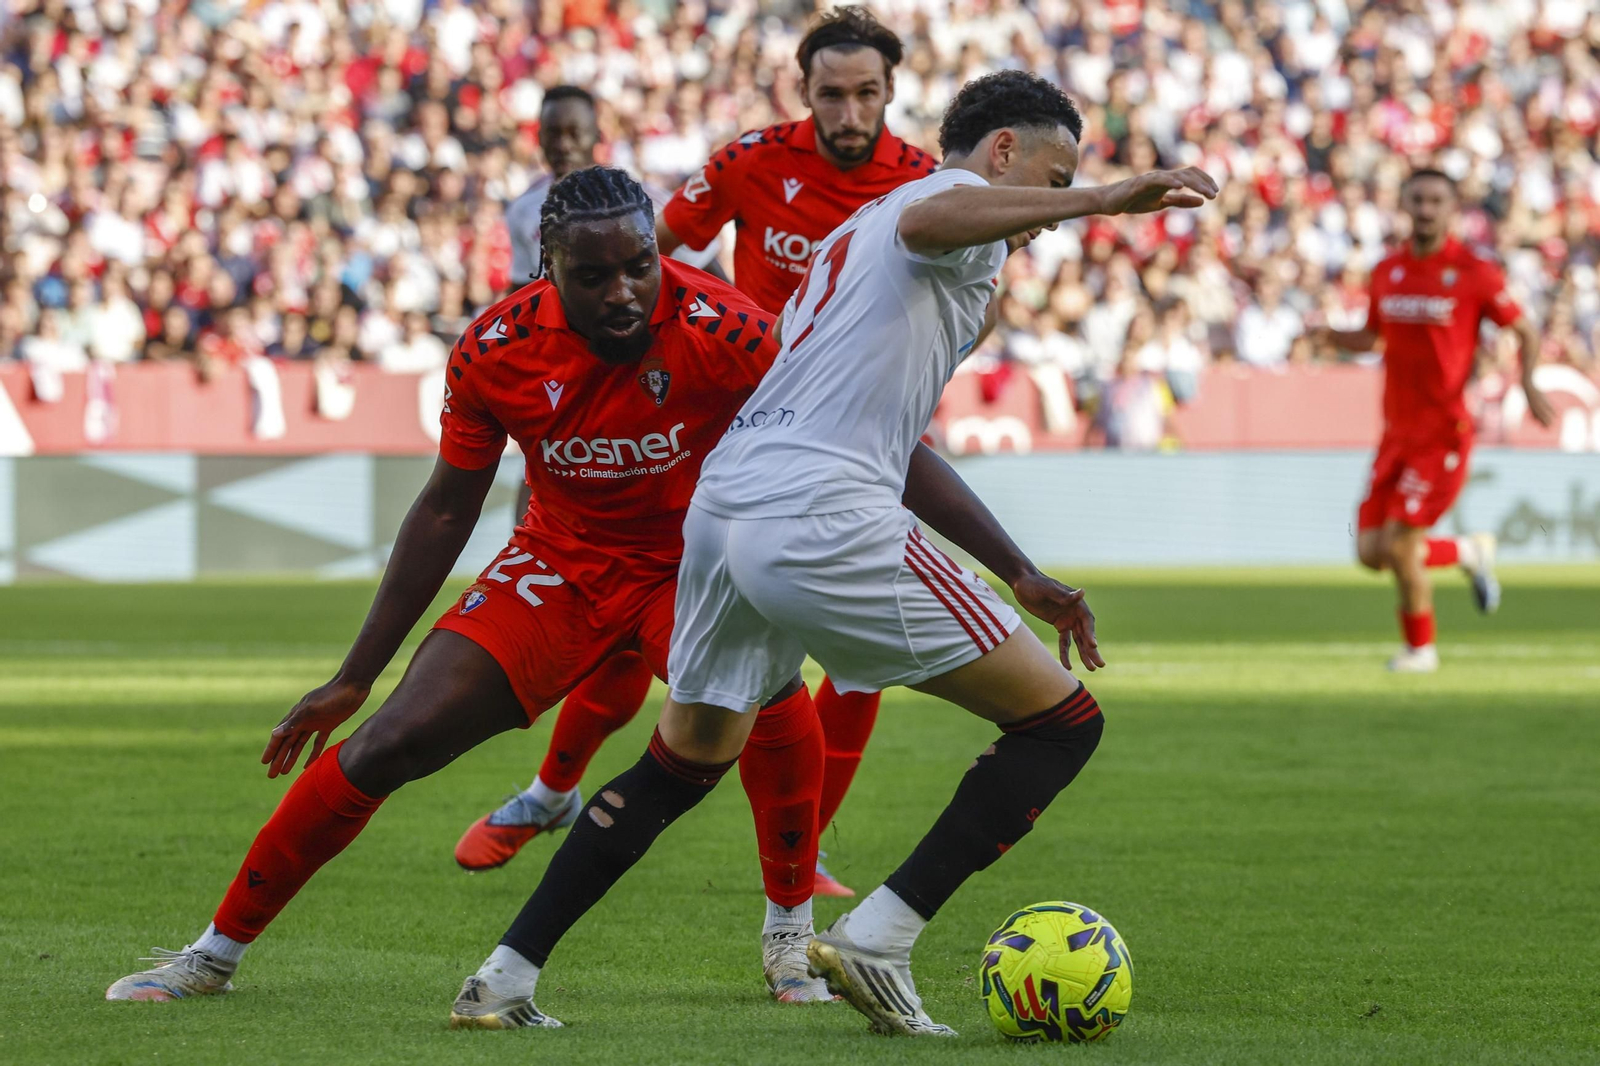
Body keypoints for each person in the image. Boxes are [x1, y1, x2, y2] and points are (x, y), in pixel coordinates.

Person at [103, 167, 1023, 1012]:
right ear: (549, 269)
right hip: (562, 564)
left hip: (692, 566)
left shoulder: (732, 330)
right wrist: (354, 677)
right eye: (596, 276)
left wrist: (1017, 568)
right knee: (389, 742)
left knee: (776, 708)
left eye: (640, 266)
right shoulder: (494, 350)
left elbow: (884, 449)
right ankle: (212, 954)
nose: (624, 291)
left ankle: (788, 937)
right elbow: (442, 510)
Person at [464, 71, 1216, 1036]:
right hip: (821, 512)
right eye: (1053, 177)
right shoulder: (926, 210)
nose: (1055, 213)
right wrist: (1108, 195)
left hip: (728, 507)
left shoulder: (869, 238)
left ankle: (504, 975)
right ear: (1001, 154)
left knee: (684, 758)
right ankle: (881, 935)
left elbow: (897, 434)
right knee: (1062, 725)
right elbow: (932, 222)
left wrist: (1019, 569)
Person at [464, 8, 940, 900]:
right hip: (739, 425)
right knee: (642, 609)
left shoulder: (923, 185)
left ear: (890, 94)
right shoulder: (748, 160)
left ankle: (806, 861)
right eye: (831, 93)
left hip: (860, 427)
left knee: (855, 644)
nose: (848, 112)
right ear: (804, 92)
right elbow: (659, 251)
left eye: (866, 94)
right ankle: (553, 790)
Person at [1312, 169, 1555, 673]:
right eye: (1417, 199)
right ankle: (1469, 551)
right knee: (1372, 551)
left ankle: (1421, 650)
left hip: (1443, 432)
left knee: (1401, 545)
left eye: (1435, 201)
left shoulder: (1474, 272)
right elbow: (1372, 336)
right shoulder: (1387, 271)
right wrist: (1329, 335)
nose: (1425, 209)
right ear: (1404, 203)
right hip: (1395, 432)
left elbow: (1526, 332)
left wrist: (1529, 383)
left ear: (1452, 208)